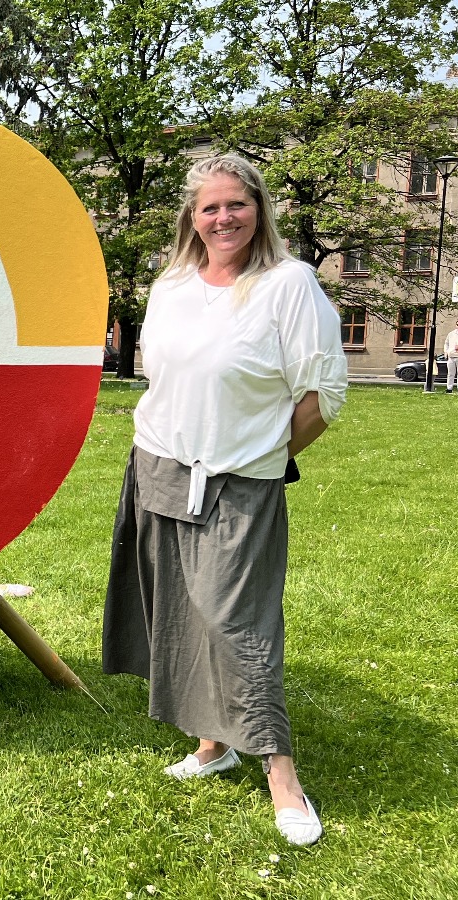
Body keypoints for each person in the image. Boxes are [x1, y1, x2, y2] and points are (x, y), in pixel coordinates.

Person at [102, 154, 347, 846]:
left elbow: (323, 394)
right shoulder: (173, 284)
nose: (223, 218)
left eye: (236, 204)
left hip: (239, 481)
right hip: (158, 464)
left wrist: (268, 457)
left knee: (238, 624)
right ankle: (213, 745)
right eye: (209, 207)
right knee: (180, 612)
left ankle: (281, 775)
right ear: (192, 216)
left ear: (259, 208)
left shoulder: (289, 284)